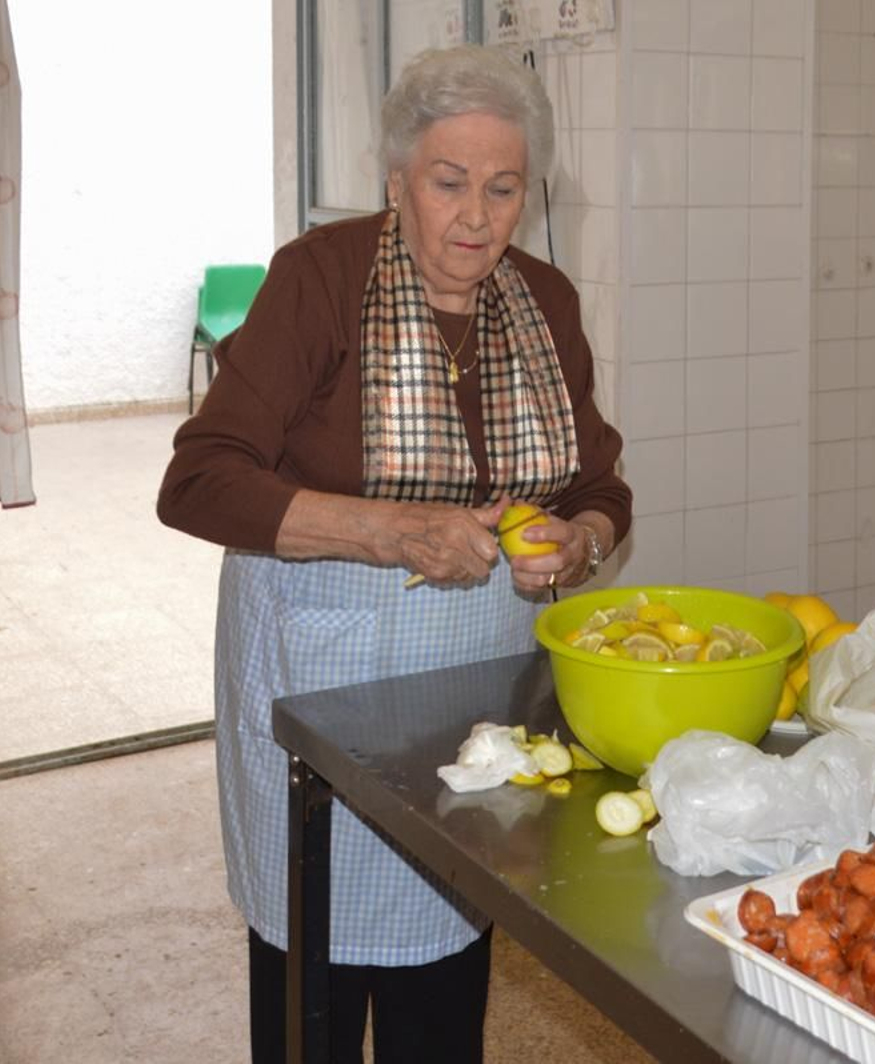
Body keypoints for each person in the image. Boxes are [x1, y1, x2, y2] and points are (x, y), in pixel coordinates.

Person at [157, 45, 630, 1063]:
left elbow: (598, 487)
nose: (475, 215)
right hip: (323, 678)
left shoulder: (544, 303)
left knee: (447, 950)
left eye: (502, 188)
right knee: (311, 976)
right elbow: (197, 480)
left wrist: (577, 543)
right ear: (395, 179)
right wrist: (389, 527)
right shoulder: (318, 282)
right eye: (447, 182)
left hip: (474, 697)